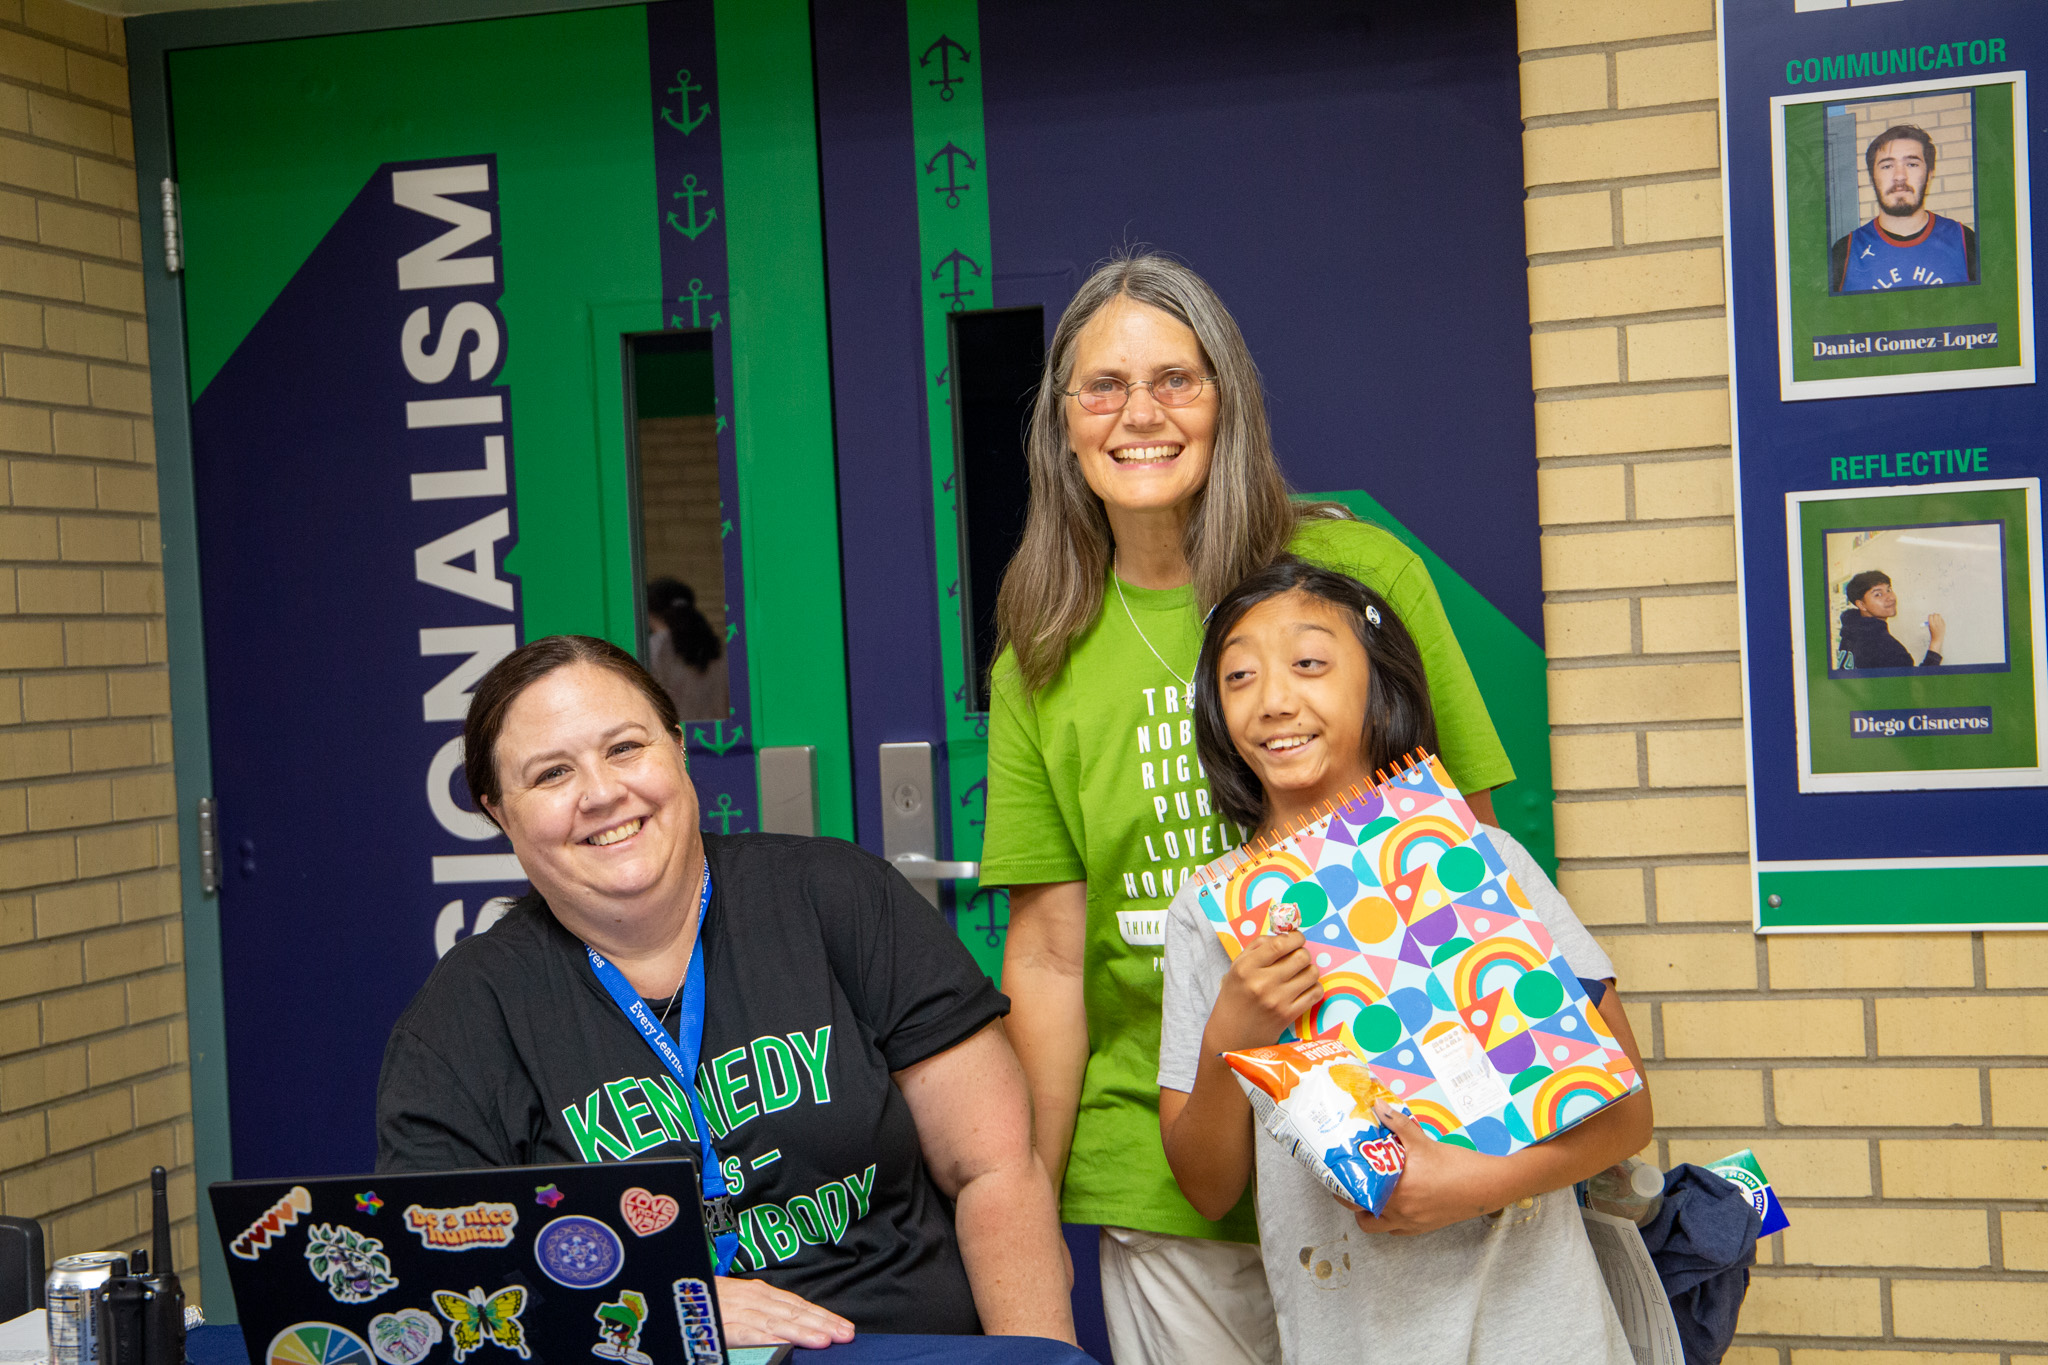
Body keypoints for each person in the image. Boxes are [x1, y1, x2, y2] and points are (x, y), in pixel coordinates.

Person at [982, 253, 1514, 1364]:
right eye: (1102, 387)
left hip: (1385, 1135)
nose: (1139, 415)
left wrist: (1484, 1124)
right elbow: (1044, 950)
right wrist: (1024, 1188)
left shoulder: (1354, 573)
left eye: (1174, 379)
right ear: (1062, 422)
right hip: (1165, 1166)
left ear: (1228, 397)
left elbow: (1466, 858)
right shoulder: (1041, 645)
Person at [376, 635, 1073, 1349]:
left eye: (625, 748)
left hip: (897, 1342)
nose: (602, 792)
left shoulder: (838, 897)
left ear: (677, 748)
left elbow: (996, 1168)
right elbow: (441, 1278)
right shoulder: (465, 1015)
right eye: (552, 773)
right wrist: (660, 1302)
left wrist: (1038, 1360)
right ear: (500, 811)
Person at [1157, 560, 1648, 1364]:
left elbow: (1626, 1114)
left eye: (1309, 663)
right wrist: (1228, 1036)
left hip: (1547, 1332)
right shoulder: (1209, 912)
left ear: (1377, 684)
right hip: (1349, 1337)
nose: (1275, 699)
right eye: (1239, 676)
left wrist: (1465, 1187)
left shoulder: (1481, 858)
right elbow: (1208, 1188)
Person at [1830, 124, 1978, 293]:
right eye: (1887, 166)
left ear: (1929, 173)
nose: (1900, 175)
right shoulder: (1844, 253)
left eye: (1912, 164)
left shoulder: (1965, 241)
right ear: (1872, 177)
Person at [645, 577, 729, 720]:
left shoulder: (652, 648)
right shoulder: (717, 647)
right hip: (717, 736)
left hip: (675, 735)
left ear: (649, 612)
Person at [1838, 569, 1944, 668]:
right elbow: (1918, 684)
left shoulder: (1850, 633)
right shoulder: (1885, 648)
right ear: (1861, 604)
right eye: (1878, 594)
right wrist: (1936, 642)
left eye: (1889, 589)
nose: (1891, 597)